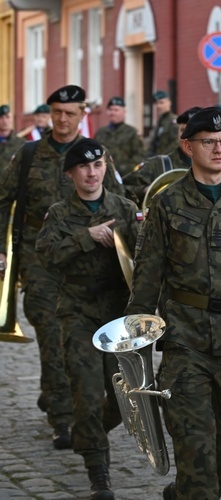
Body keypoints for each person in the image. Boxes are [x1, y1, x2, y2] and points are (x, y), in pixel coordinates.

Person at [124, 107, 221, 499]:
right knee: (195, 446)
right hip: (185, 342)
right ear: (188, 146)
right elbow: (147, 276)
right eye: (208, 142)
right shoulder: (167, 204)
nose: (219, 149)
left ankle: (185, 493)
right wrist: (134, 339)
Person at [0, 84, 122, 449]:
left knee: (86, 341)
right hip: (42, 258)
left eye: (71, 113)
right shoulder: (28, 153)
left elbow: (119, 198)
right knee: (53, 337)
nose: (63, 120)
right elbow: (3, 200)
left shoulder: (96, 154)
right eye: (57, 113)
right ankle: (62, 417)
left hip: (91, 262)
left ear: (83, 114)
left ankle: (74, 400)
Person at [35, 138, 141, 500]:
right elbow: (46, 253)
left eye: (97, 166)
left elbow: (146, 257)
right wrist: (85, 237)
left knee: (122, 395)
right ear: (71, 174)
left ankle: (87, 431)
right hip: (78, 313)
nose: (91, 173)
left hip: (117, 315)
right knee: (87, 391)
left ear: (105, 168)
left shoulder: (125, 208)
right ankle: (99, 471)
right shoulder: (61, 213)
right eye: (83, 167)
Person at [122, 106, 200, 206]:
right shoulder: (158, 165)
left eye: (194, 131)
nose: (186, 136)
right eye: (183, 130)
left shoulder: (220, 167)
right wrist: (146, 190)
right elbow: (119, 189)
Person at [94, 97, 145, 177]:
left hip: (126, 177)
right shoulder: (101, 133)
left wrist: (123, 168)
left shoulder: (132, 133)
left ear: (124, 112)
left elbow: (139, 156)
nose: (113, 113)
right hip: (104, 176)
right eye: (110, 110)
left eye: (116, 110)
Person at [145, 90, 179, 158]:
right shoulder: (160, 122)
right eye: (156, 103)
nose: (158, 106)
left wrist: (161, 157)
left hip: (169, 161)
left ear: (169, 102)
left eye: (161, 103)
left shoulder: (174, 121)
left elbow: (176, 143)